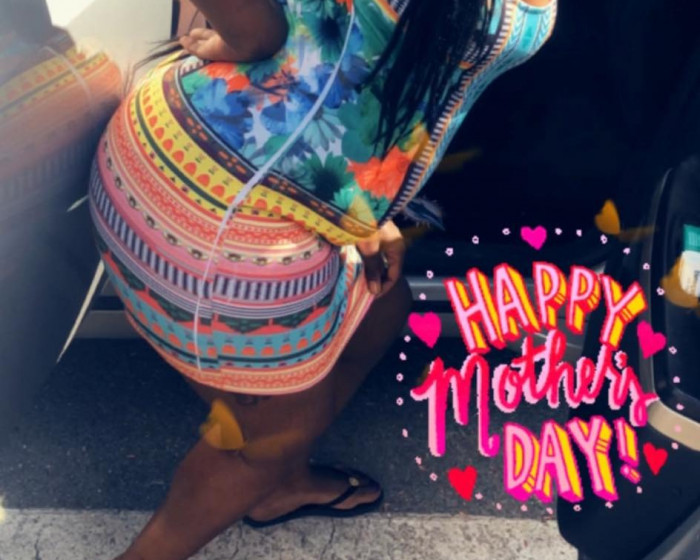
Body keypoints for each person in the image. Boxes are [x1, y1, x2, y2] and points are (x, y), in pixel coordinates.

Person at [88, 0, 557, 558]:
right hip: (224, 229)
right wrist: (248, 34)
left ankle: (280, 481)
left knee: (382, 309)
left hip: (194, 155)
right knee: (265, 443)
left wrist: (361, 204)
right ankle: (265, 471)